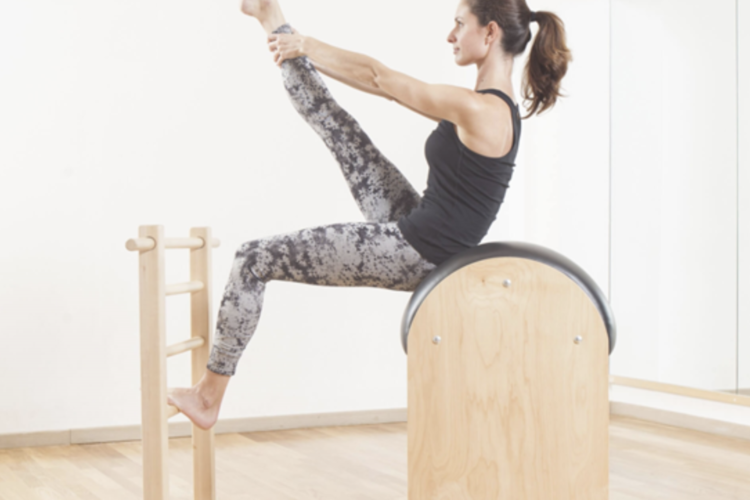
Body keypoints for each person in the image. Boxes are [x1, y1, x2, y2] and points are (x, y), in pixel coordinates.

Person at [167, 0, 571, 430]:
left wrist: (306, 43)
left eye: (458, 24)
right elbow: (376, 82)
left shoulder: (481, 110)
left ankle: (208, 396)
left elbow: (380, 79)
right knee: (340, 129)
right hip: (420, 225)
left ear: (489, 33)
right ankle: (270, 15)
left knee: (252, 259)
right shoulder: (482, 104)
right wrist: (298, 45)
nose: (450, 35)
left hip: (423, 251)